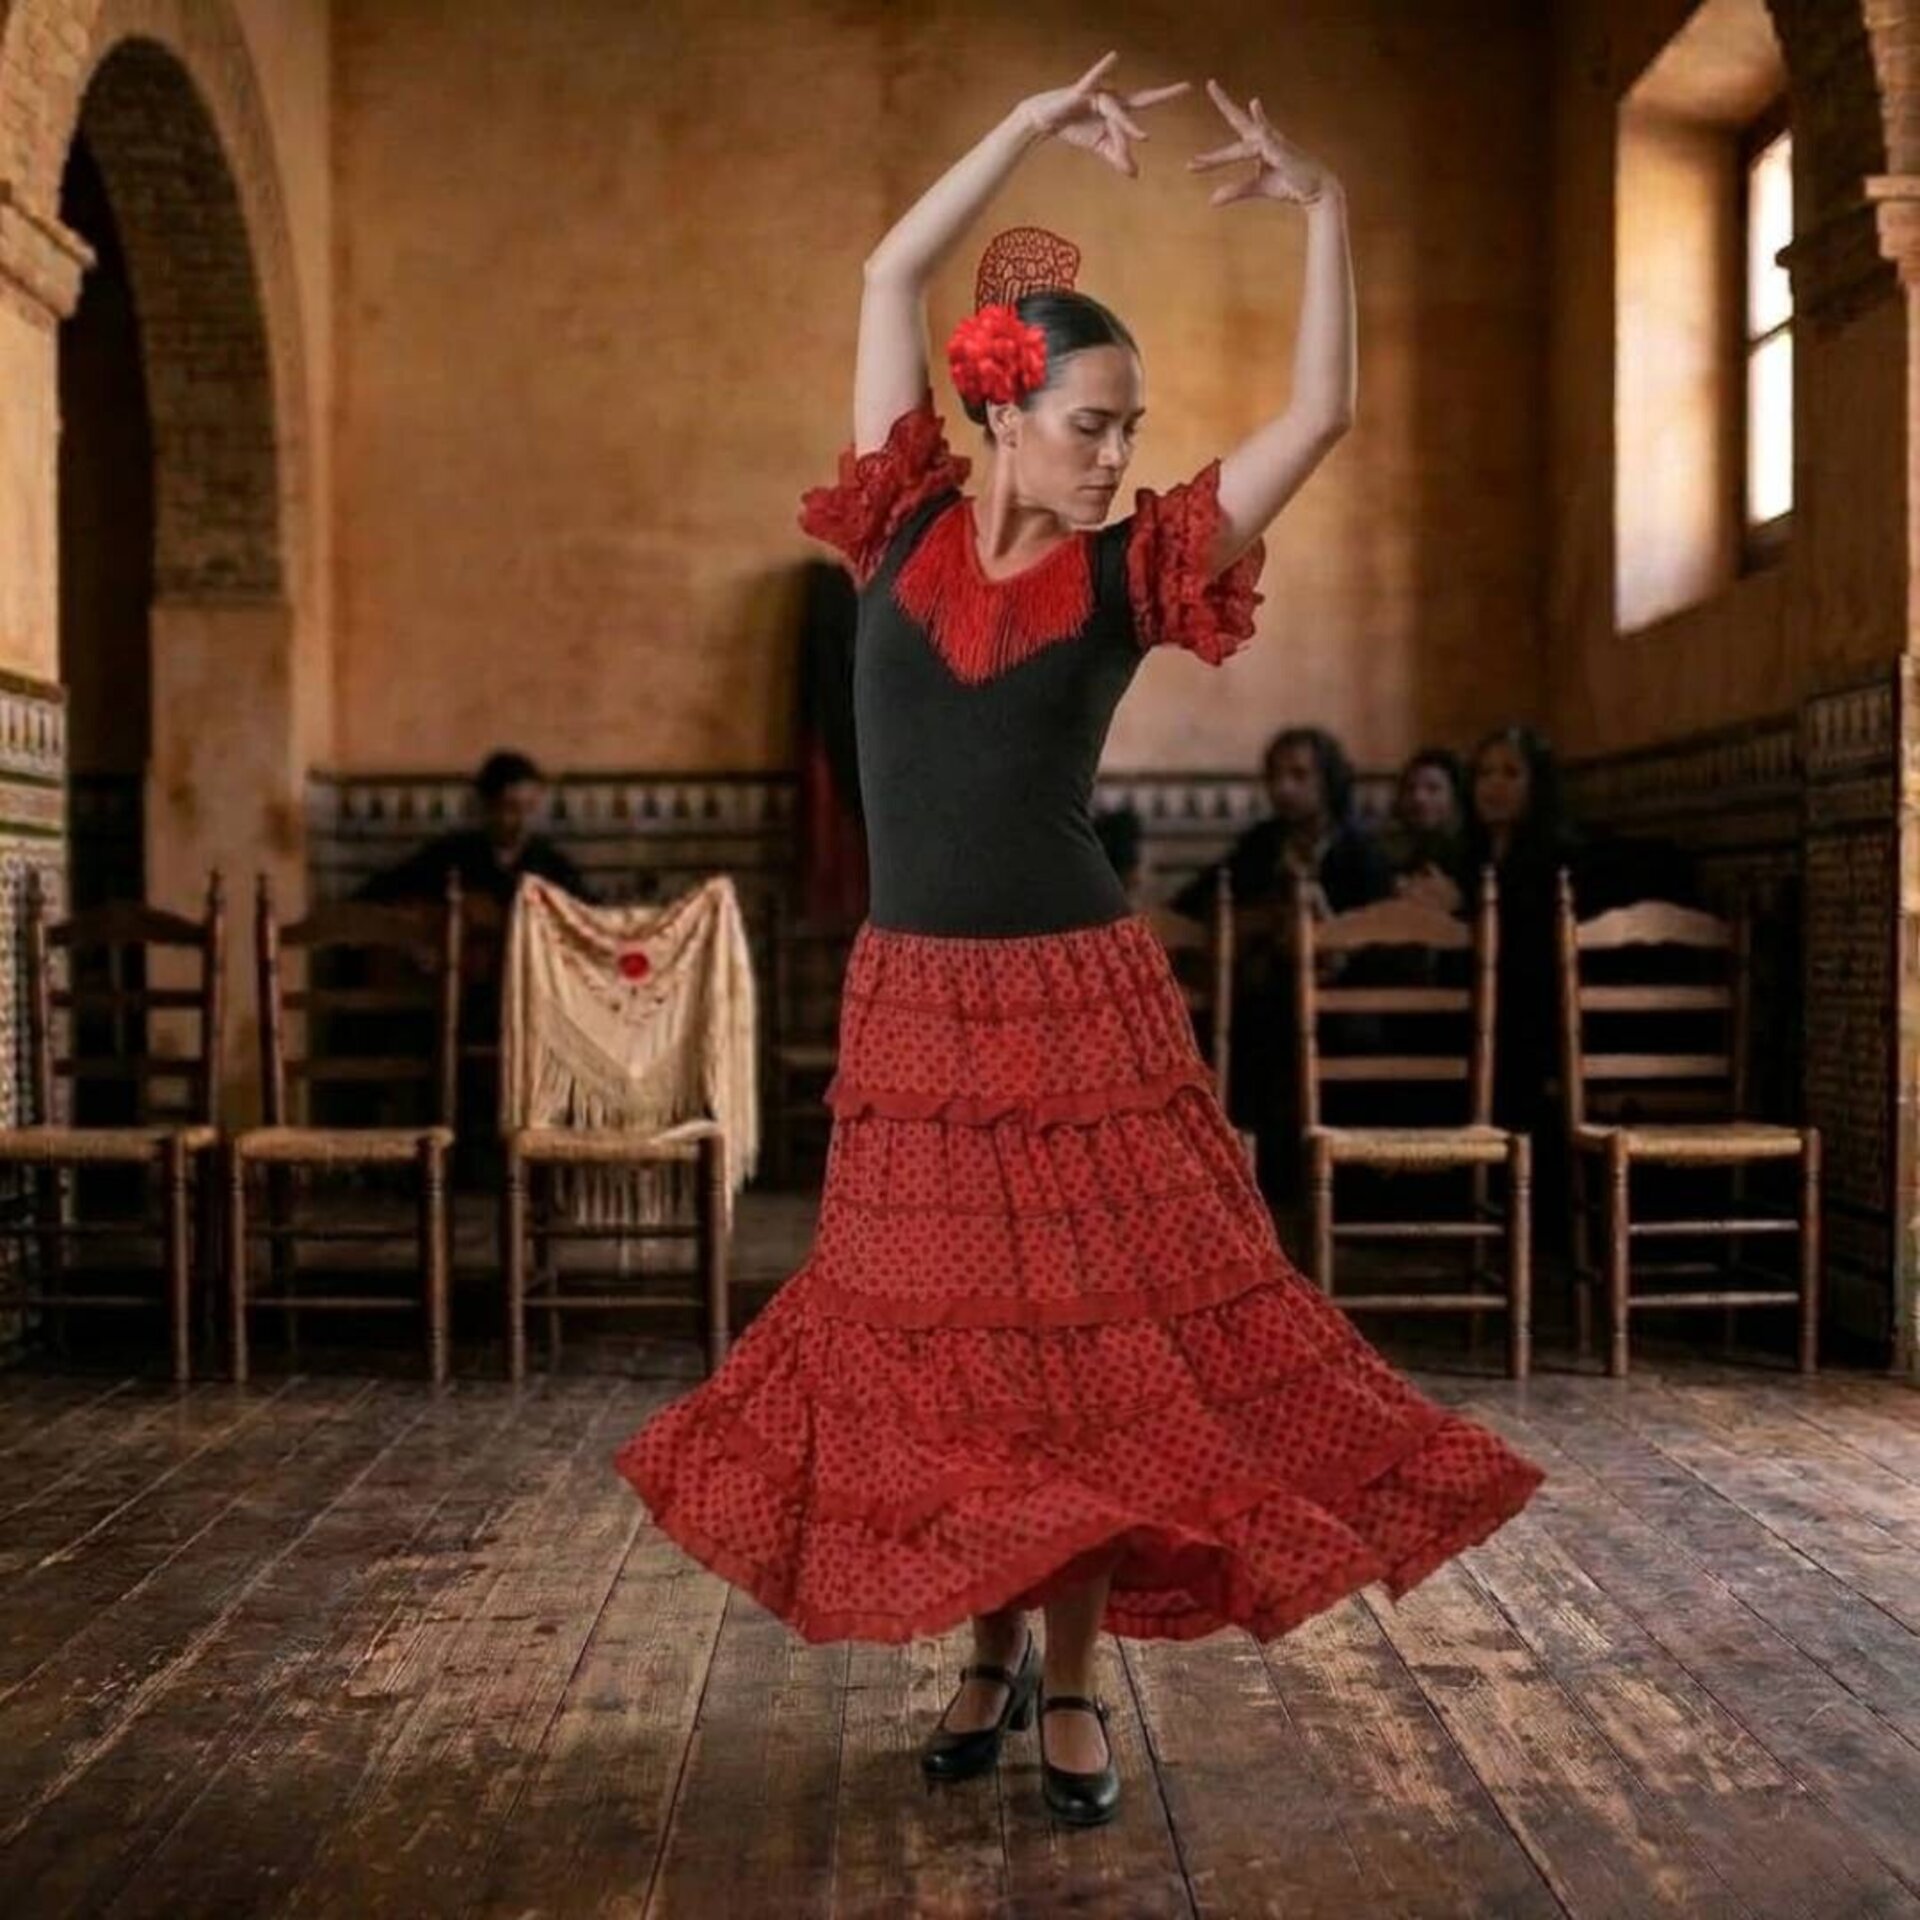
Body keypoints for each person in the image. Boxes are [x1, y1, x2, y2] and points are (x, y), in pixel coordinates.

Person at [616, 55, 1542, 1830]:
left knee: (1085, 1359)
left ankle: (1068, 1680)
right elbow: (892, 276)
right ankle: (975, 1658)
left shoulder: (1133, 575)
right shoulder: (889, 526)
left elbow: (1321, 417)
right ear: (1004, 405)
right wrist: (1029, 133)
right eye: (1094, 422)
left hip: (1075, 1007)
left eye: (1134, 425)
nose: (1123, 452)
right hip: (916, 1011)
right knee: (954, 1350)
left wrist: (1331, 213)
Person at [357, 749, 595, 908]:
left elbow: (591, 913)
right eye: (510, 808)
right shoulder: (451, 855)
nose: (522, 821)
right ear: (487, 807)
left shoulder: (551, 865)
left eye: (529, 808)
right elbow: (375, 895)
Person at [1388, 746, 1467, 912]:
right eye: (1410, 789)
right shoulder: (1389, 853)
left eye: (1433, 789)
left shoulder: (1471, 854)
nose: (1419, 798)